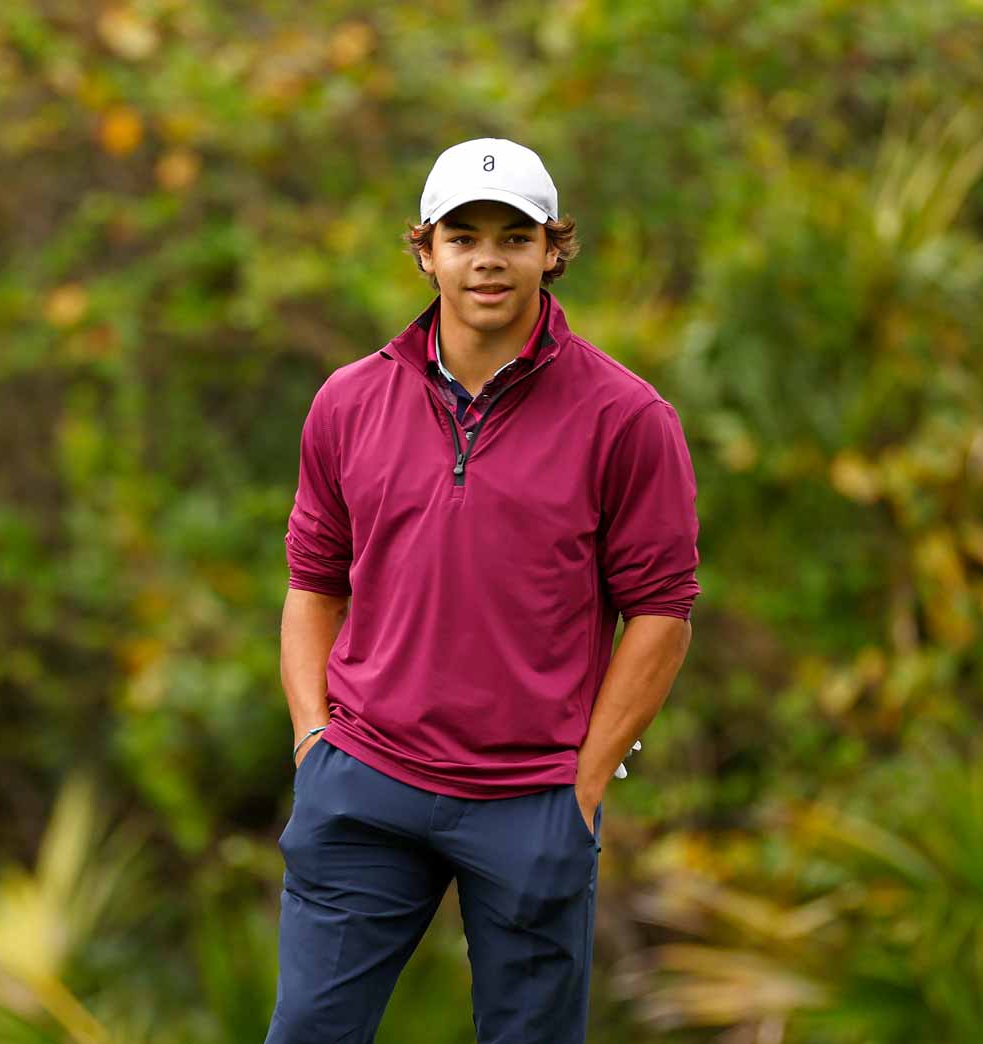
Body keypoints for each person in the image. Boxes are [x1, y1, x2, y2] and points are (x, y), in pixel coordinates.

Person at [267, 138, 698, 1043]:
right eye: (464, 236)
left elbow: (661, 614)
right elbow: (313, 584)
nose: (489, 259)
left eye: (515, 235)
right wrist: (314, 741)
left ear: (553, 250)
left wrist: (582, 784)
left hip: (530, 801)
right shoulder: (348, 402)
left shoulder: (627, 418)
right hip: (365, 787)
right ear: (426, 252)